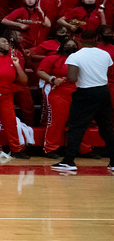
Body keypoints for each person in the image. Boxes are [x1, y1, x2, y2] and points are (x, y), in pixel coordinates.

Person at [49, 40, 114, 175]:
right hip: (103, 91)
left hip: (85, 92)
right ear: (96, 40)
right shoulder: (105, 54)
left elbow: (72, 78)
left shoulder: (76, 56)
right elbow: (105, 72)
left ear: (81, 41)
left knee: (76, 128)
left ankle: (69, 161)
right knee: (106, 128)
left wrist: (65, 79)